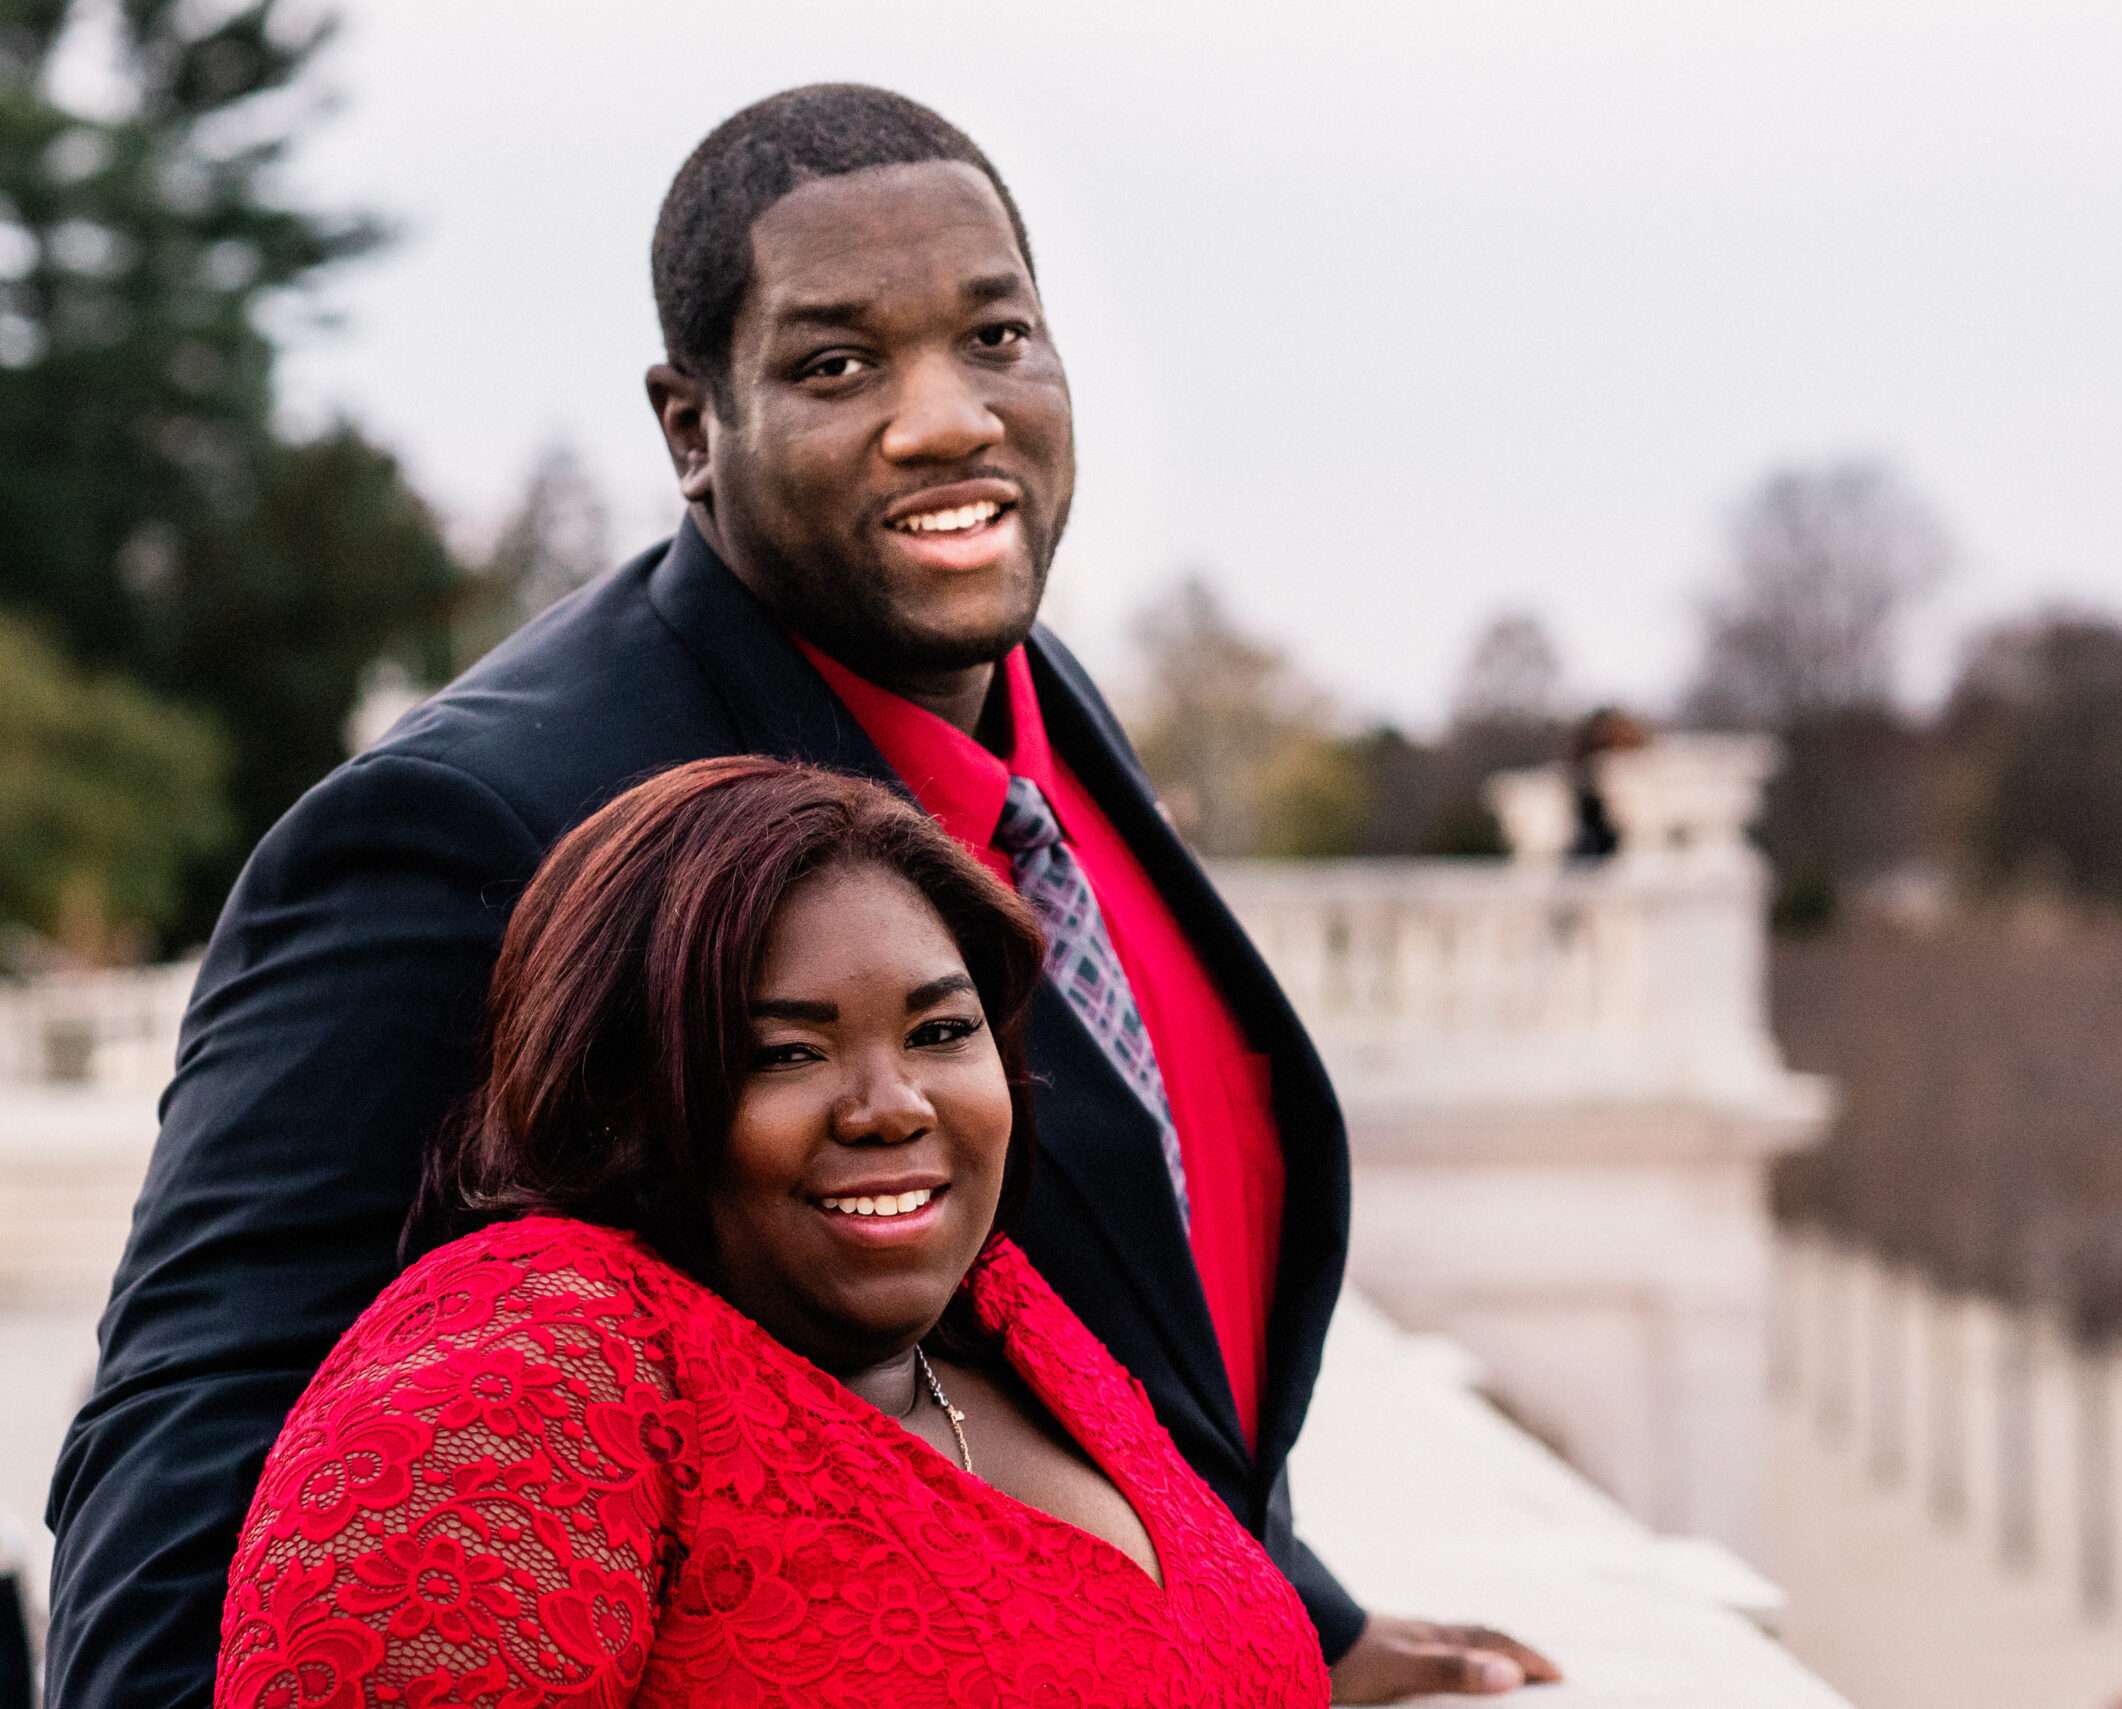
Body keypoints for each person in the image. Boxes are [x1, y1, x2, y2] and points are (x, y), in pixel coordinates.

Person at [48, 83, 1555, 1705]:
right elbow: (195, 1457)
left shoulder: (1031, 690)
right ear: (692, 427)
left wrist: (1267, 1606)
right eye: (839, 364)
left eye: (996, 337)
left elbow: (1103, 1285)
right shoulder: (472, 820)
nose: (946, 419)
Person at [214, 757, 1331, 1704]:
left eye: (941, 1029)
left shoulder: (1007, 1311)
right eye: (783, 1052)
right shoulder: (531, 1354)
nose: (893, 1103)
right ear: (620, 1089)